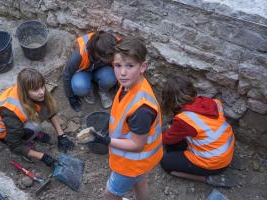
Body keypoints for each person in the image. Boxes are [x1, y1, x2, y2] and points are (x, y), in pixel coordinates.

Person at [90, 37, 163, 200]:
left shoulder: (142, 109)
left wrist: (106, 141)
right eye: (118, 65)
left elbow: (137, 145)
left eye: (130, 66)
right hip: (140, 163)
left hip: (130, 164)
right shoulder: (130, 84)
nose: (122, 72)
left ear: (143, 66)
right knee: (140, 182)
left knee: (112, 194)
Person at [0, 68, 75, 167]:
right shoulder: (11, 110)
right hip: (4, 133)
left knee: (44, 109)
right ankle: (27, 143)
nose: (42, 92)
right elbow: (14, 145)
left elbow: (50, 109)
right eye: (36, 90)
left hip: (19, 121)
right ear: (25, 91)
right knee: (34, 127)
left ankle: (32, 134)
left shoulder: (35, 90)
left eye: (42, 86)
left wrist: (61, 135)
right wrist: (43, 156)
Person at [160, 74, 235, 187]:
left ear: (170, 101)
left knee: (165, 161)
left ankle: (208, 178)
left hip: (214, 162)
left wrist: (160, 132)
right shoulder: (212, 102)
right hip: (225, 150)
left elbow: (166, 139)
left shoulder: (185, 119)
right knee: (174, 146)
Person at [62, 31, 118, 112]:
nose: (110, 59)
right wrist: (71, 97)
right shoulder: (79, 54)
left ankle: (102, 90)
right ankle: (88, 90)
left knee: (111, 77)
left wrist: (120, 85)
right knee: (79, 86)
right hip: (83, 71)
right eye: (107, 58)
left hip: (100, 69)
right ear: (96, 53)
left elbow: (120, 66)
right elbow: (66, 75)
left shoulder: (112, 45)